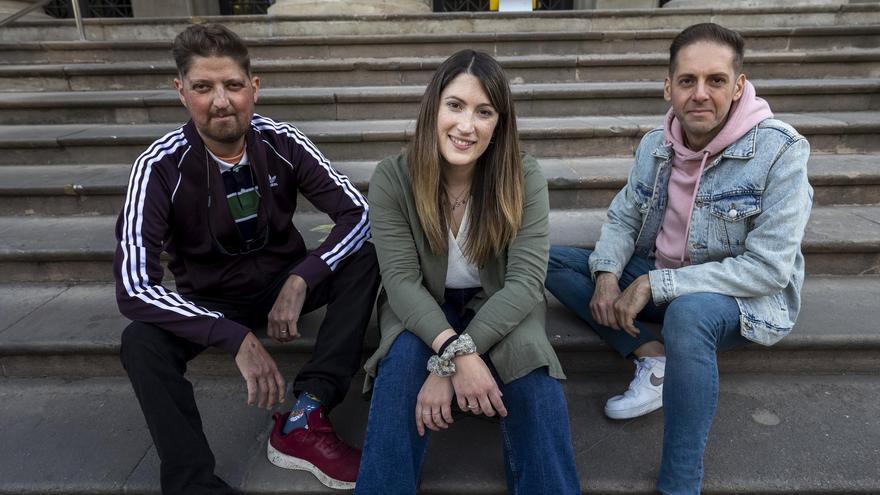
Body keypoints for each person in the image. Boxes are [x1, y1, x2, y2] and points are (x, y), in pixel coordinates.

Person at [545, 23, 813, 493]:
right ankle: (650, 356)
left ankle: (679, 483)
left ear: (738, 86)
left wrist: (655, 285)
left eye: (715, 80)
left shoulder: (780, 150)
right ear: (668, 87)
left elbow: (769, 268)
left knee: (687, 316)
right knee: (548, 260)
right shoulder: (655, 144)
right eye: (687, 81)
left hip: (737, 299)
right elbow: (624, 219)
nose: (700, 94)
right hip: (661, 274)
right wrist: (607, 274)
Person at [114, 23, 379, 494]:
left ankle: (308, 412)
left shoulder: (282, 142)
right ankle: (193, 484)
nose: (221, 102)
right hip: (212, 301)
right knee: (140, 341)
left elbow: (356, 214)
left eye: (233, 85)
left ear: (253, 88)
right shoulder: (158, 166)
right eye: (203, 87)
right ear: (181, 92)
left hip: (284, 281)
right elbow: (134, 284)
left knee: (366, 259)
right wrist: (230, 335)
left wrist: (302, 278)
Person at [353, 49, 581, 494]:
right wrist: (455, 355)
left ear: (499, 123)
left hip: (500, 303)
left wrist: (447, 364)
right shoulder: (392, 178)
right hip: (421, 303)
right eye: (455, 105)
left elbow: (525, 283)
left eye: (484, 112)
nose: (466, 126)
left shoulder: (523, 176)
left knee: (533, 377)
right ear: (433, 107)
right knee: (400, 369)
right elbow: (400, 281)